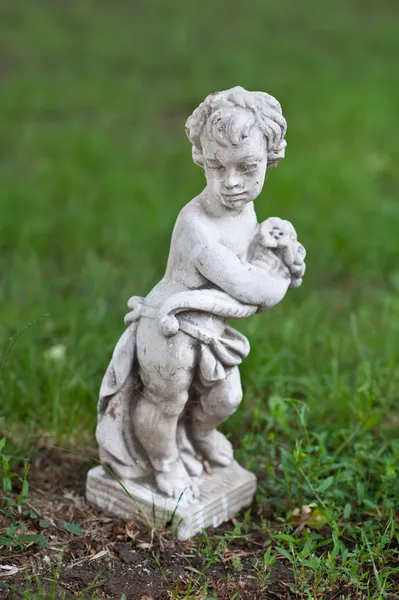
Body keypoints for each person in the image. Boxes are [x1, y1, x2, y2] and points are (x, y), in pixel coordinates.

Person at [96, 86, 306, 501]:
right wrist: (281, 277)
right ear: (201, 158)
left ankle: (200, 434)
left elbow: (253, 268)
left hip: (211, 323)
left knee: (227, 397)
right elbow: (249, 287)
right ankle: (166, 463)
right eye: (216, 166)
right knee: (166, 400)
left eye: (247, 167)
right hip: (169, 326)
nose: (231, 183)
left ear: (272, 156)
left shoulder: (244, 209)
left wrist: (281, 254)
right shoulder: (197, 225)